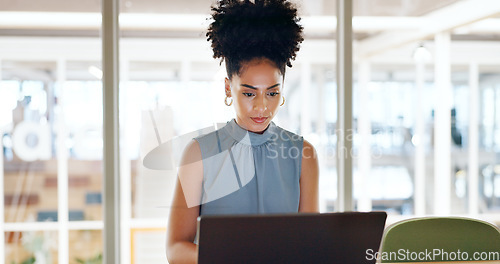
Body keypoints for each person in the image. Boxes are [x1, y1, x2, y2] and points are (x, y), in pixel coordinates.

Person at [166, 0, 319, 263]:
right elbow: (176, 248)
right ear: (228, 88)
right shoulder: (199, 154)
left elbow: (310, 245)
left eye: (272, 93)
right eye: (249, 93)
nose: (262, 106)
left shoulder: (303, 155)